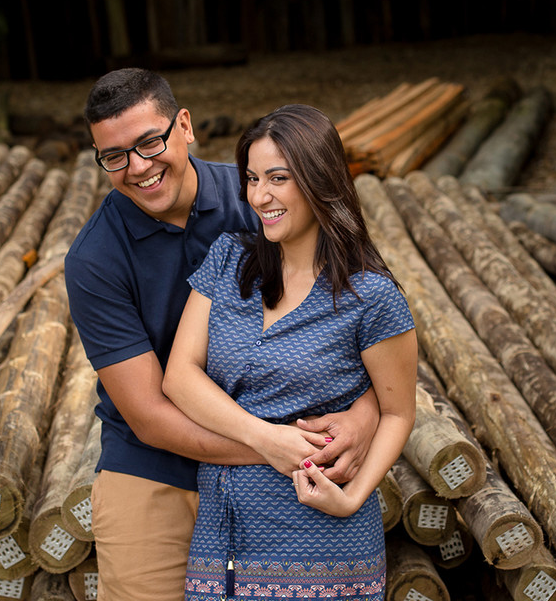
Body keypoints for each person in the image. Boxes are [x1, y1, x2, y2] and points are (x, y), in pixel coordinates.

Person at [64, 70, 382, 601]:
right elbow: (149, 414)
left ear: (185, 126)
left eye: (149, 142)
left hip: (283, 458)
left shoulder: (260, 199)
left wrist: (365, 417)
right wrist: (275, 446)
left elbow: (370, 324)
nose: (137, 167)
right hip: (157, 466)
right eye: (114, 156)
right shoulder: (94, 259)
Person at [162, 104, 417, 600]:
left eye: (278, 178)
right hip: (222, 539)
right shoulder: (229, 259)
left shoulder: (371, 295)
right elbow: (180, 376)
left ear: (320, 179)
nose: (260, 196)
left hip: (324, 542)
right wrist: (266, 439)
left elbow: (397, 412)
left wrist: (352, 498)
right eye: (252, 178)